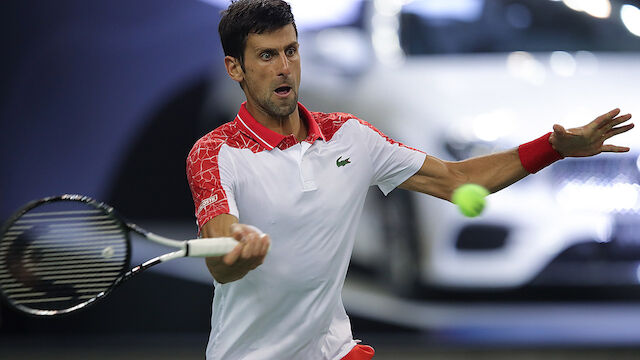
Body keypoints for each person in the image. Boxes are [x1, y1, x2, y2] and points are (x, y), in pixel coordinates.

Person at [186, 0, 634, 359]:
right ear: (235, 69)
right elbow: (221, 256)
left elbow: (458, 182)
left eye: (291, 50)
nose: (285, 67)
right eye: (267, 56)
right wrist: (243, 253)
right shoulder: (212, 154)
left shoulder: (350, 136)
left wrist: (552, 148)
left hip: (334, 351)